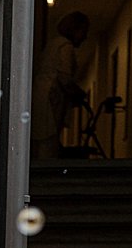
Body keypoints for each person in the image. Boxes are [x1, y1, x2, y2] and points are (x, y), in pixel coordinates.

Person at [31, 11, 89, 157]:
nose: (85, 37)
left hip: (43, 97)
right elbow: (65, 78)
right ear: (75, 29)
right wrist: (80, 94)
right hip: (50, 99)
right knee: (47, 141)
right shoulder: (65, 47)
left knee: (41, 139)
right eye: (83, 31)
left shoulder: (53, 45)